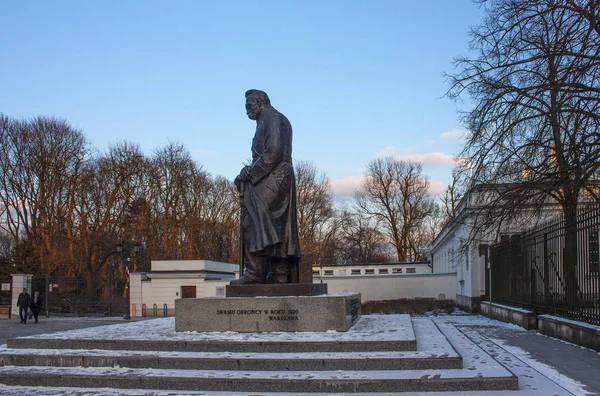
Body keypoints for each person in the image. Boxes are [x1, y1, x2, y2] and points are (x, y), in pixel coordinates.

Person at [230, 89, 301, 284]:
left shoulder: (273, 118)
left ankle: (256, 273)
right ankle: (274, 270)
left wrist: (251, 174)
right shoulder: (265, 121)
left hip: (277, 174)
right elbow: (262, 155)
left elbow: (273, 152)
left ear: (260, 102)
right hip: (270, 174)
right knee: (255, 221)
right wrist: (248, 170)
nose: (246, 111)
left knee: (251, 221)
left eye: (248, 106)